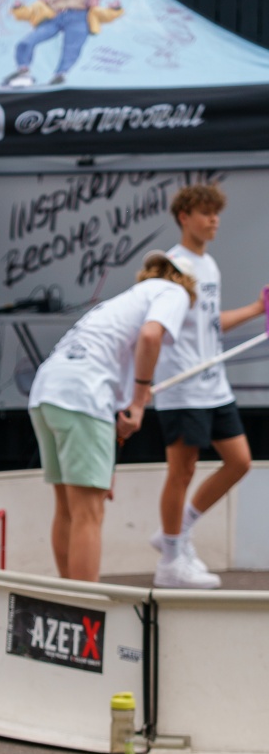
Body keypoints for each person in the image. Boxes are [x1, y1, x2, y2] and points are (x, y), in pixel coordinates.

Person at [28, 250, 195, 582]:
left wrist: (110, 464)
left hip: (48, 391)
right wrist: (140, 400)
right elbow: (150, 336)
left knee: (67, 509)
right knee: (88, 513)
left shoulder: (126, 300)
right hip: (83, 395)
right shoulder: (173, 292)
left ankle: (70, 598)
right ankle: (85, 605)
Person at [150, 183, 264, 589]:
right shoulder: (172, 266)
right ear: (184, 217)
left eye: (216, 213)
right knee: (181, 471)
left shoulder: (209, 266)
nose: (214, 220)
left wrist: (258, 309)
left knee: (240, 462)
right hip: (183, 386)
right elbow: (157, 326)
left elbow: (211, 325)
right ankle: (170, 559)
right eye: (205, 212)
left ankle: (176, 531)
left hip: (215, 385)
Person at [3, 0, 123, 88]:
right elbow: (34, 10)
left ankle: (60, 74)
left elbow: (99, 13)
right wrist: (18, 7)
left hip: (79, 18)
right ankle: (23, 69)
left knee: (72, 48)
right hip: (55, 17)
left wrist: (115, 9)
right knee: (26, 41)